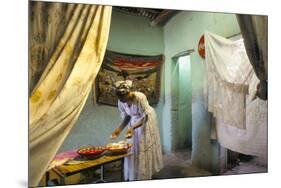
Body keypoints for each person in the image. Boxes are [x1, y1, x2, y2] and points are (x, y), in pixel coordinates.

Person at [110, 80, 163, 181]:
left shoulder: (140, 97)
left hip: (145, 122)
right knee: (132, 148)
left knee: (142, 146)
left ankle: (144, 175)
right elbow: (127, 116)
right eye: (120, 99)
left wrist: (133, 127)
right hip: (134, 122)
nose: (122, 101)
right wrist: (119, 129)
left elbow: (145, 117)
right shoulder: (121, 101)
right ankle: (134, 174)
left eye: (124, 98)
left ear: (128, 93)